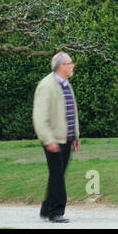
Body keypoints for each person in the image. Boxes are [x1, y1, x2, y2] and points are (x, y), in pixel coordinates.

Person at [33, 51, 80, 223]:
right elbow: (40, 116)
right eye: (70, 62)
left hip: (65, 138)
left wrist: (75, 136)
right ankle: (56, 211)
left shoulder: (66, 84)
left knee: (57, 174)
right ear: (61, 66)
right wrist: (48, 139)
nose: (73, 65)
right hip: (52, 139)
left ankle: (46, 208)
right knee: (57, 175)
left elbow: (71, 110)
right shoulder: (47, 86)